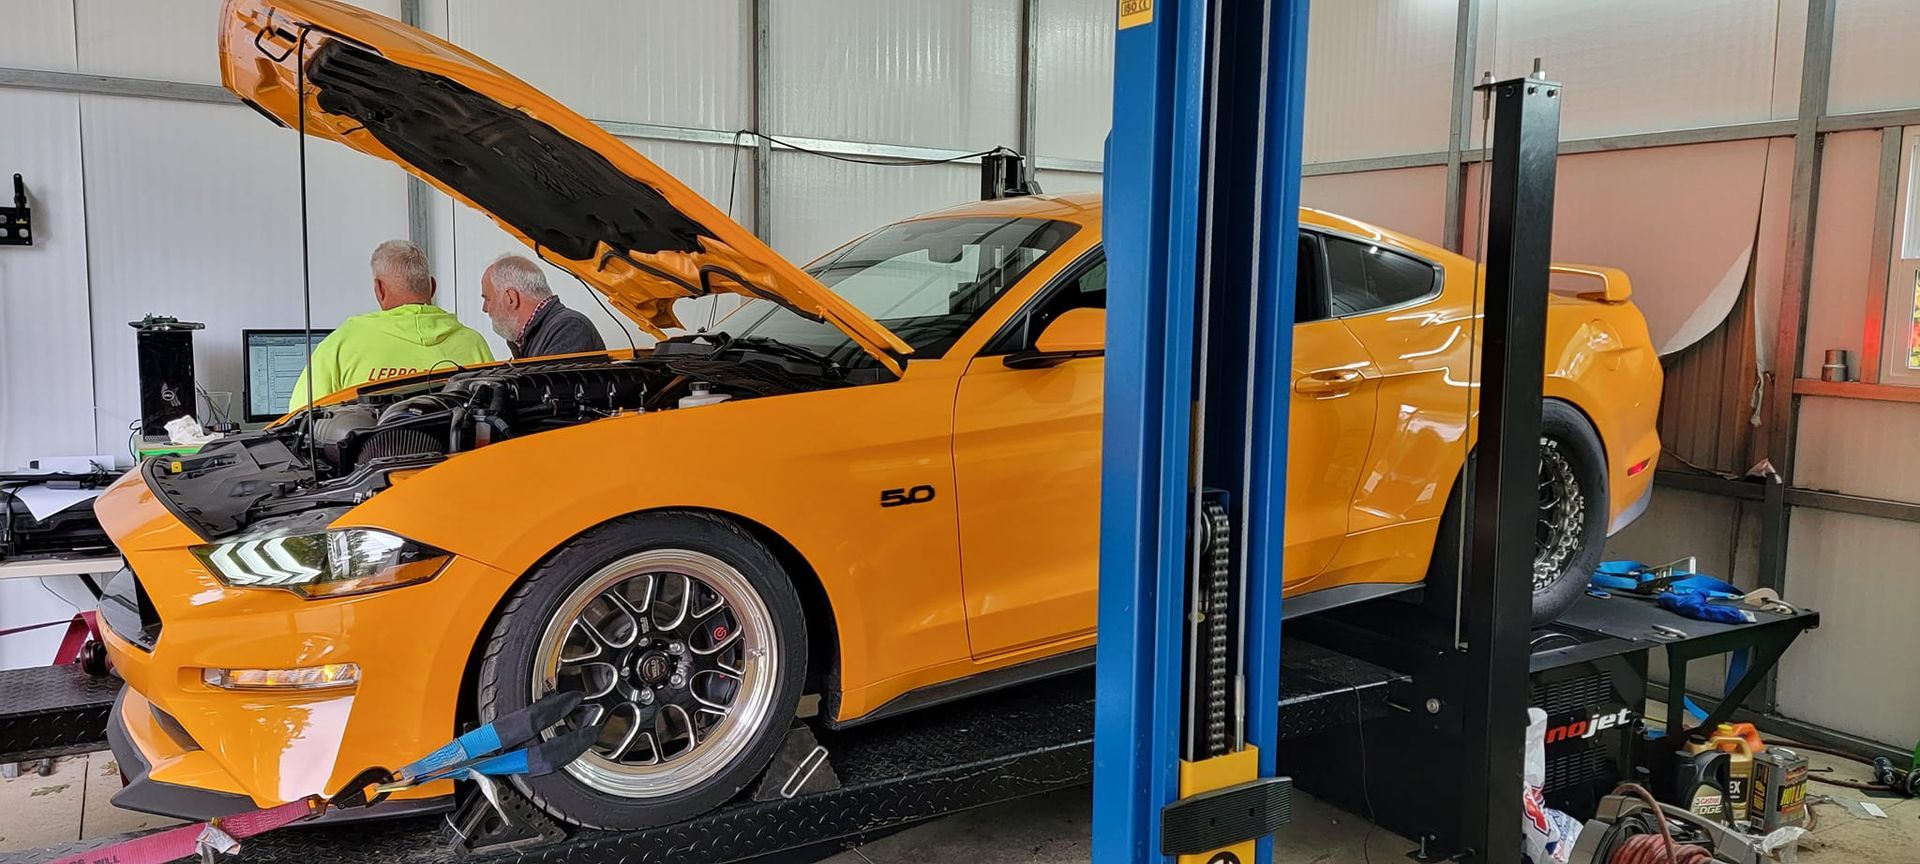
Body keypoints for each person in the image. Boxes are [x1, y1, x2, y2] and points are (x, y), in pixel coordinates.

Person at [288, 240, 494, 411]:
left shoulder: (340, 345)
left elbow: (297, 421)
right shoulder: (474, 344)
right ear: (432, 286)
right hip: (458, 460)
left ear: (379, 290)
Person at [480, 254, 607, 359]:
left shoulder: (568, 328)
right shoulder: (535, 335)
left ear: (510, 298)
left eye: (488, 299)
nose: (485, 308)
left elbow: (550, 388)